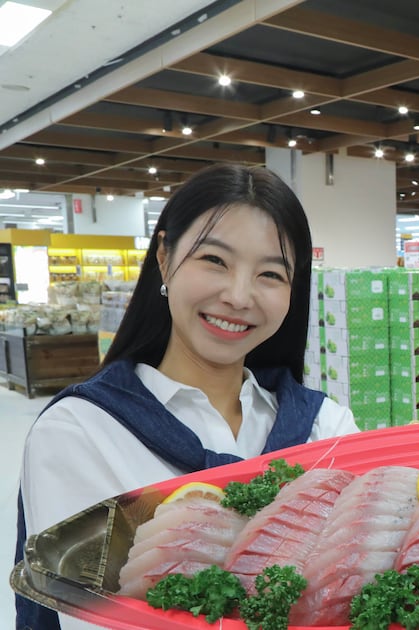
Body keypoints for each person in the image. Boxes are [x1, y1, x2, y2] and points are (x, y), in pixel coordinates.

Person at [14, 164, 361, 629]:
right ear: (164, 257)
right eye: (214, 260)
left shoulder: (327, 428)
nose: (239, 296)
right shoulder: (82, 431)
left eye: (271, 275)